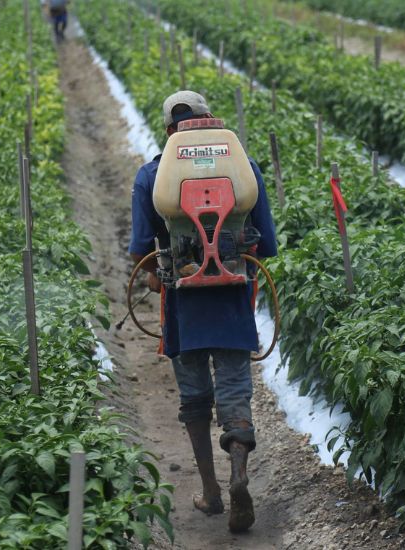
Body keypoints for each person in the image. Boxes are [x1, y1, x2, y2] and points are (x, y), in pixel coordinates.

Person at [129, 91, 277, 533]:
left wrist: (158, 272)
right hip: (232, 301)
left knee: (194, 397)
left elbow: (141, 250)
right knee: (234, 389)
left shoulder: (153, 176)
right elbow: (265, 244)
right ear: (210, 119)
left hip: (183, 305)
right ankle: (238, 473)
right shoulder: (243, 167)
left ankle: (212, 492)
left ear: (168, 130)